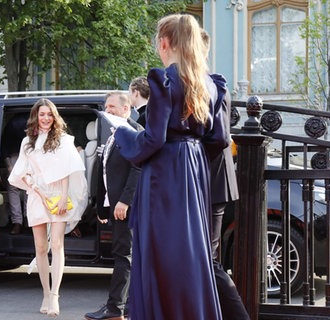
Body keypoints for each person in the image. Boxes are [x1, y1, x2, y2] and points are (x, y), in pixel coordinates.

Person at [113, 14, 229, 320]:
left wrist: (122, 133)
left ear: (164, 43)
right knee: (191, 253)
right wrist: (193, 156)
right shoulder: (211, 84)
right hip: (194, 170)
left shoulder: (165, 80)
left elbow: (152, 140)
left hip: (164, 174)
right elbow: (219, 138)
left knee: (161, 254)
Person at [8, 98, 88, 317]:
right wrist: (38, 191)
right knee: (41, 247)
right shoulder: (27, 142)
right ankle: (45, 292)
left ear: (54, 117)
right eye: (42, 114)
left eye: (49, 114)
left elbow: (66, 171)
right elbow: (20, 173)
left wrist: (62, 198)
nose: (45, 118)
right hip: (36, 196)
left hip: (59, 196)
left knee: (58, 245)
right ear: (36, 116)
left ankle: (55, 295)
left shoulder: (63, 140)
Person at [201, 28, 250, 320]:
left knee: (208, 260)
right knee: (206, 260)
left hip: (213, 182)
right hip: (210, 182)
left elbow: (218, 138)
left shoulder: (213, 85)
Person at [84, 92, 142, 320]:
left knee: (123, 256)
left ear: (126, 109)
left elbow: (138, 169)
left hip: (127, 207)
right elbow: (105, 172)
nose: (107, 110)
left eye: (112, 107)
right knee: (121, 255)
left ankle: (114, 309)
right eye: (105, 107)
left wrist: (125, 201)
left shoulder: (134, 132)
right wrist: (101, 206)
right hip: (113, 205)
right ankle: (121, 307)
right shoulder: (113, 134)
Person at [2, 114, 29, 235]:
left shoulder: (37, 120)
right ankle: (18, 222)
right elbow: (4, 146)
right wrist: (8, 165)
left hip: (30, 155)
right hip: (14, 155)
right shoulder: (13, 124)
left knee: (30, 187)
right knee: (14, 187)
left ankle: (28, 219)